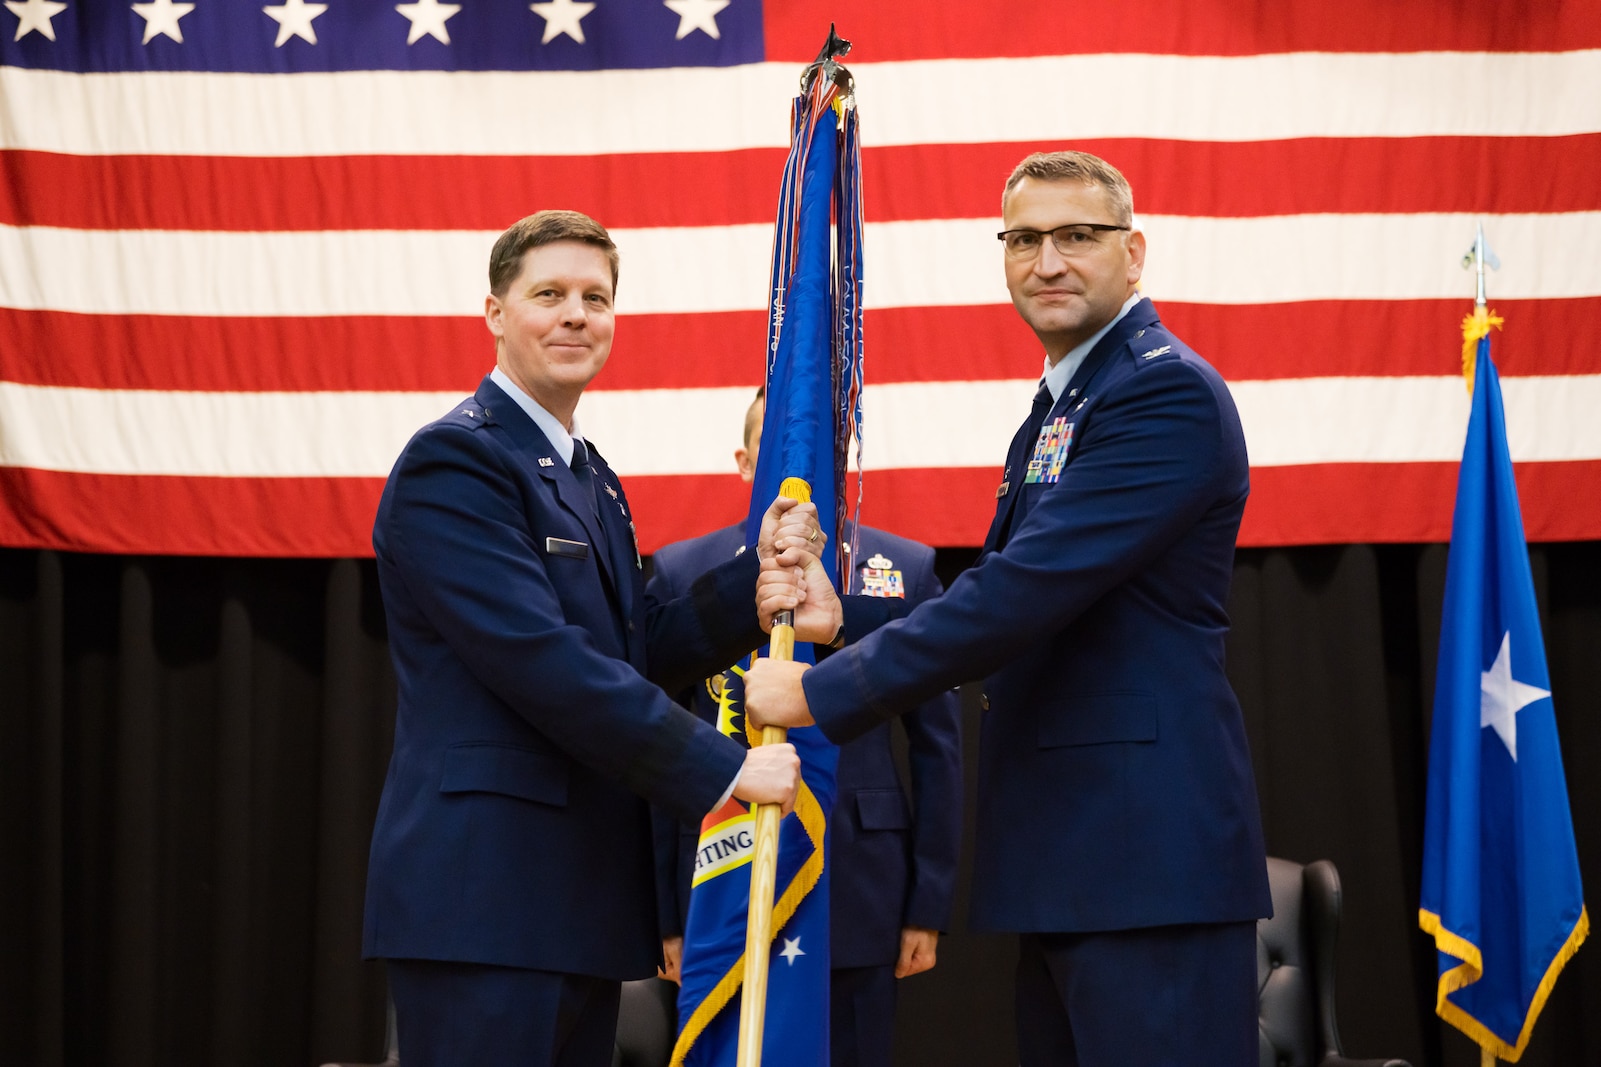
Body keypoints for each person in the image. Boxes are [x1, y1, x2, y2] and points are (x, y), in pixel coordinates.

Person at [743, 152, 1272, 1066]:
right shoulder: (1065, 403)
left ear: (1133, 251)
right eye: (1023, 239)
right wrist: (843, 626)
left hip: (1145, 857)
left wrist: (817, 695)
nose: (1048, 261)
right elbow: (1009, 590)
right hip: (1080, 856)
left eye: (1077, 236)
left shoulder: (1160, 392)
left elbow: (1019, 594)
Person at [363, 210, 814, 1067]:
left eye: (595, 298)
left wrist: (754, 586)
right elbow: (542, 661)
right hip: (483, 897)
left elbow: (632, 644)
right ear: (496, 312)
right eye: (549, 295)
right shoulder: (454, 464)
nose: (576, 315)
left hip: (577, 899)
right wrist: (722, 768)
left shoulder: (590, 476)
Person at [648, 388, 963, 1067]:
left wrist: (926, 902)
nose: (803, 470)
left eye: (823, 450)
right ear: (744, 461)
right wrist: (665, 911)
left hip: (860, 881)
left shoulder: (901, 569)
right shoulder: (684, 573)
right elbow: (655, 744)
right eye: (780, 450)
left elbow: (938, 748)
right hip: (717, 874)